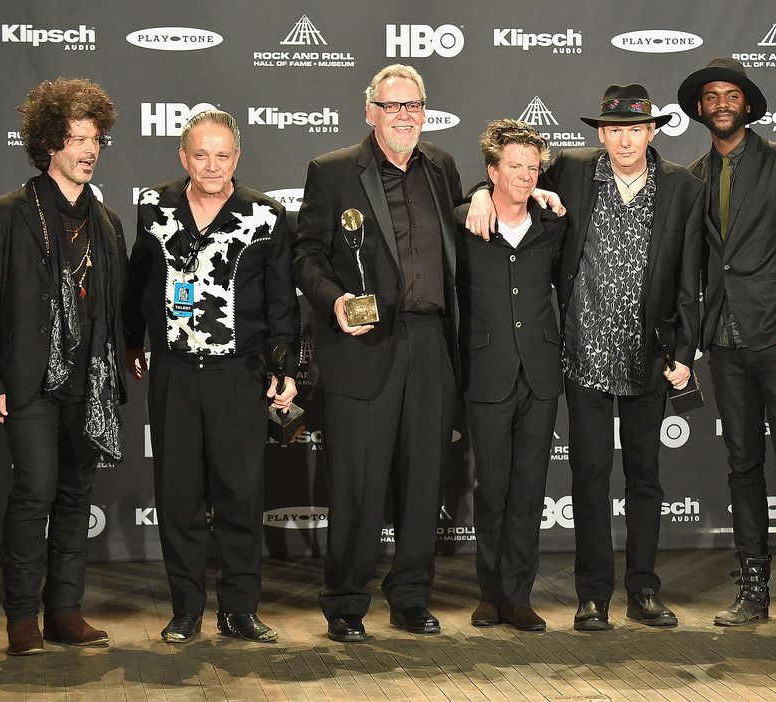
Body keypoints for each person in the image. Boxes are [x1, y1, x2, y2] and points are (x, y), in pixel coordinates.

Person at [468, 84, 703, 631]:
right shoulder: (571, 171)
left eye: (635, 129)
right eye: (614, 129)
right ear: (601, 133)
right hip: (582, 355)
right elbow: (511, 181)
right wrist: (481, 191)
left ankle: (643, 589)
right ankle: (592, 595)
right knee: (590, 477)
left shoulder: (681, 188)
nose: (624, 139)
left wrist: (685, 350)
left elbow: (692, 276)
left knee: (645, 478)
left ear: (652, 131)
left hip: (651, 356)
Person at [293, 64, 463, 642]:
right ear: (370, 112)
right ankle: (344, 601)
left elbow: (465, 229)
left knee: (424, 482)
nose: (405, 116)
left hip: (430, 341)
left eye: (414, 105)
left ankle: (411, 598)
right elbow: (305, 256)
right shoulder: (334, 171)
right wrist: (335, 300)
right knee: (358, 485)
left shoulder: (440, 167)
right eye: (393, 106)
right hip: (363, 346)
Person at [124, 109, 298, 643]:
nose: (212, 165)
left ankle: (240, 610)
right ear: (183, 156)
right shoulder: (154, 207)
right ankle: (185, 609)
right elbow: (139, 279)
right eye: (201, 154)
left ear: (237, 158)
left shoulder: (265, 215)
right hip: (174, 372)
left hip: (238, 375)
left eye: (223, 155)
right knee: (178, 496)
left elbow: (279, 303)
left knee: (240, 496)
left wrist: (285, 369)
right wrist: (133, 340)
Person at [677, 57, 776, 634]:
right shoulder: (692, 176)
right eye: (711, 96)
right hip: (723, 341)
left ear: (747, 105)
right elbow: (692, 266)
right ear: (700, 109)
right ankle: (753, 591)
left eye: (731, 95)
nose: (721, 103)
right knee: (742, 467)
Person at [0, 78, 125, 656]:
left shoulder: (106, 223)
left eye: (95, 139)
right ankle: (21, 617)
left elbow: (115, 306)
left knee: (76, 495)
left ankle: (65, 611)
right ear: (49, 145)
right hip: (30, 380)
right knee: (35, 490)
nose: (88, 149)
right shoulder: (5, 216)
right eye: (76, 139)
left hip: (90, 383)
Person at [454, 119, 567, 632]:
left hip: (540, 375)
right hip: (486, 371)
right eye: (514, 167)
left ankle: (519, 595)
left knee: (528, 489)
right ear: (491, 171)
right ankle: (490, 593)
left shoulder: (554, 221)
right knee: (492, 488)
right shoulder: (465, 223)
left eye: (532, 168)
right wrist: (479, 195)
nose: (524, 176)